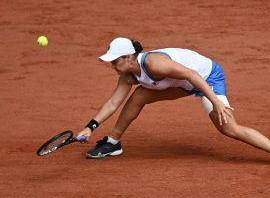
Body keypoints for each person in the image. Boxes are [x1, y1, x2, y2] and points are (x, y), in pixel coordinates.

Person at [77, 37, 270, 159]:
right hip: (182, 84)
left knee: (230, 128)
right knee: (140, 95)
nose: (112, 66)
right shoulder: (127, 76)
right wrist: (89, 127)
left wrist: (216, 101)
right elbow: (112, 103)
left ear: (129, 57)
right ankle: (113, 143)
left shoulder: (155, 64)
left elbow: (193, 75)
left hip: (206, 78)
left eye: (115, 61)